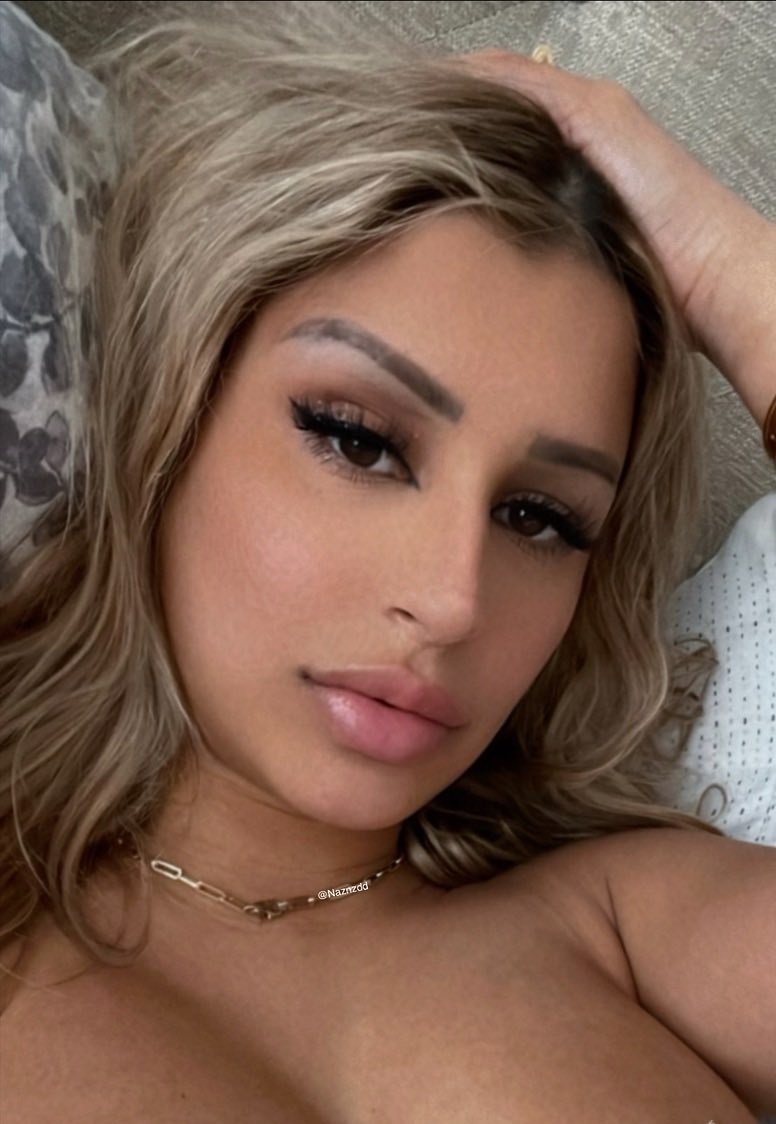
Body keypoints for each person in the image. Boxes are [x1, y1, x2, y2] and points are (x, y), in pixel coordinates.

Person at [0, 4, 774, 1121]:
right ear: (168, 408)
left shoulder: (626, 925)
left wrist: (733, 277)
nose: (454, 599)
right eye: (357, 440)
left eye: (539, 518)